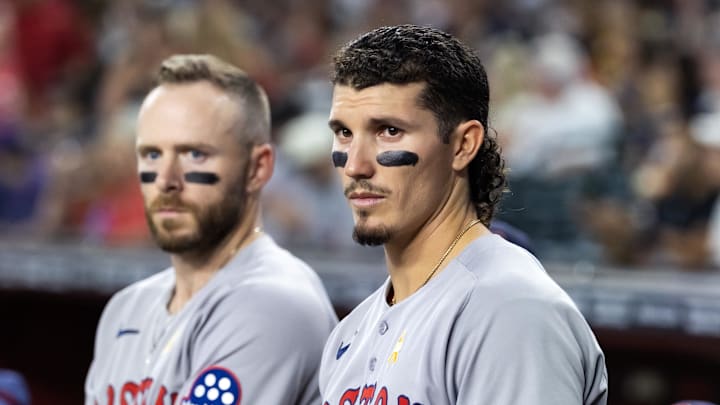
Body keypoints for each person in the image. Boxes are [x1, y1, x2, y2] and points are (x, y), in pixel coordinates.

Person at [319, 25, 608, 404]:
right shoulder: (349, 334)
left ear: (462, 145)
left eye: (389, 131)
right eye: (344, 133)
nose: (355, 165)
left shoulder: (509, 312)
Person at [84, 54, 337, 405]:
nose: (166, 180)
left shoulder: (273, 304)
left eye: (195, 154)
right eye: (152, 155)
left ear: (257, 168)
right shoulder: (126, 309)